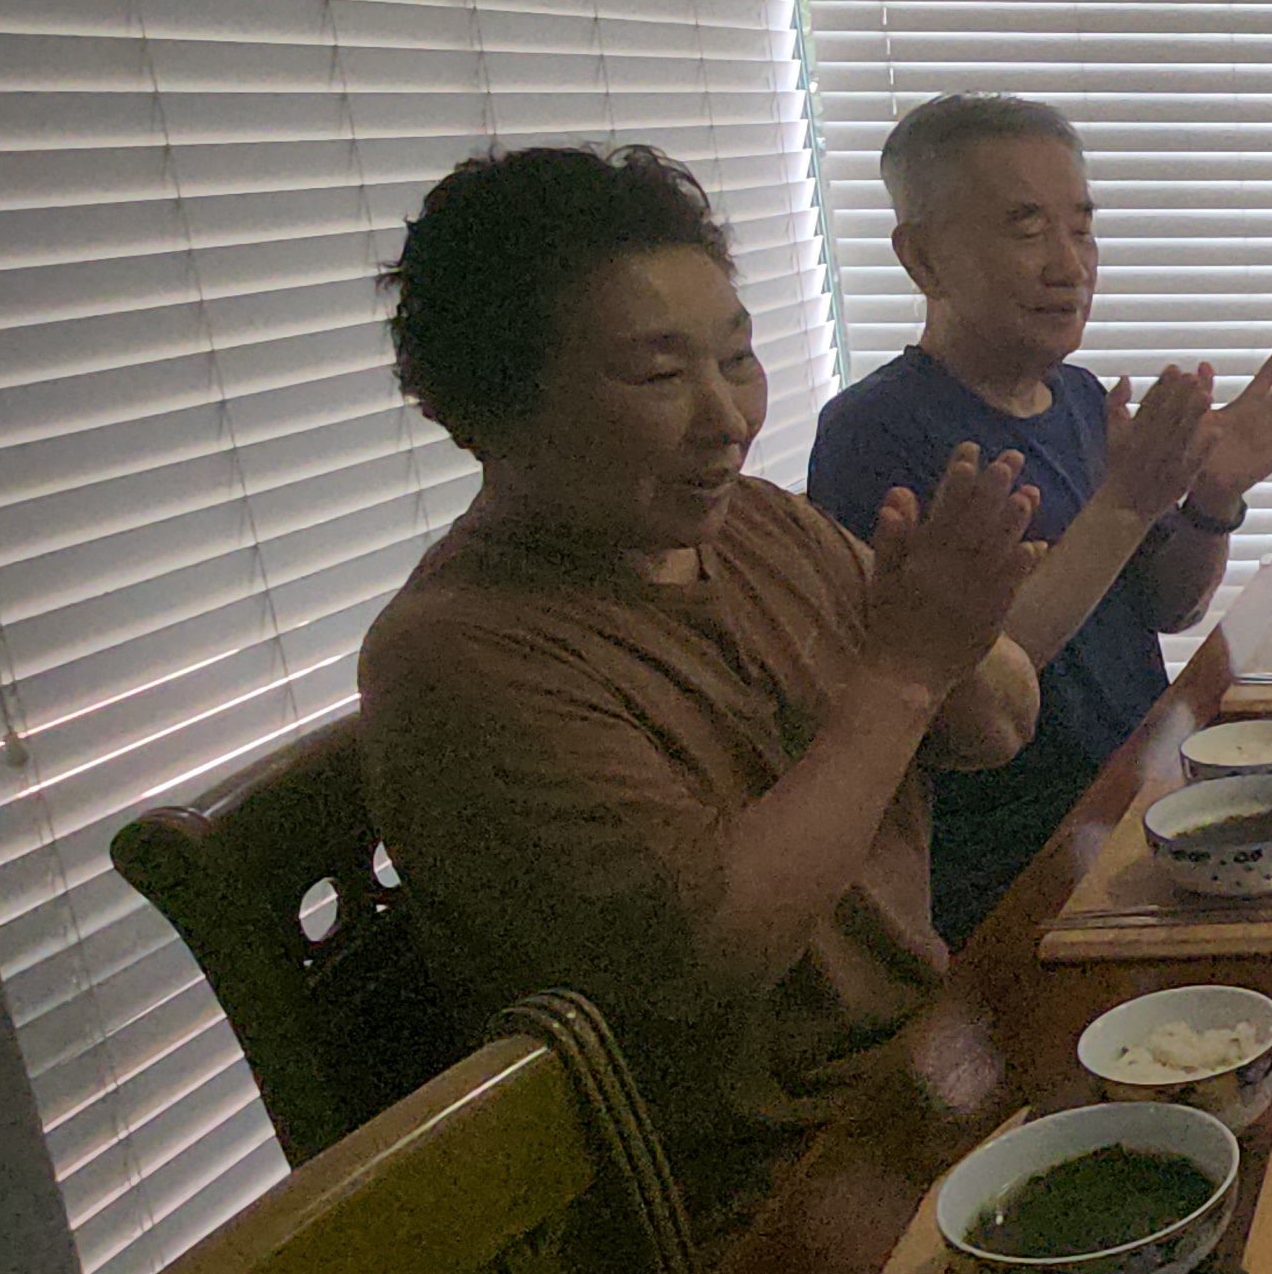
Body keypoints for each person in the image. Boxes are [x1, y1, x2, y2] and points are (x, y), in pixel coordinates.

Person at [359, 145, 1043, 1219]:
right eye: (659, 375)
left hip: (926, 1072)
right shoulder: (458, 655)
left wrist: (954, 632)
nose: (727, 417)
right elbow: (711, 955)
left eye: (737, 356)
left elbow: (1000, 727)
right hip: (758, 1190)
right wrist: (905, 675)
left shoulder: (758, 524)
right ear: (488, 407)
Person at [809, 94, 1272, 945]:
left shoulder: (1081, 399)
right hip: (1015, 862)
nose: (1069, 264)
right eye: (1026, 228)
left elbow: (1166, 606)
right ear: (922, 258)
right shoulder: (877, 432)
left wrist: (1210, 500)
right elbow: (960, 688)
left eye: (1081, 228)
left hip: (1147, 804)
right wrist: (1125, 503)